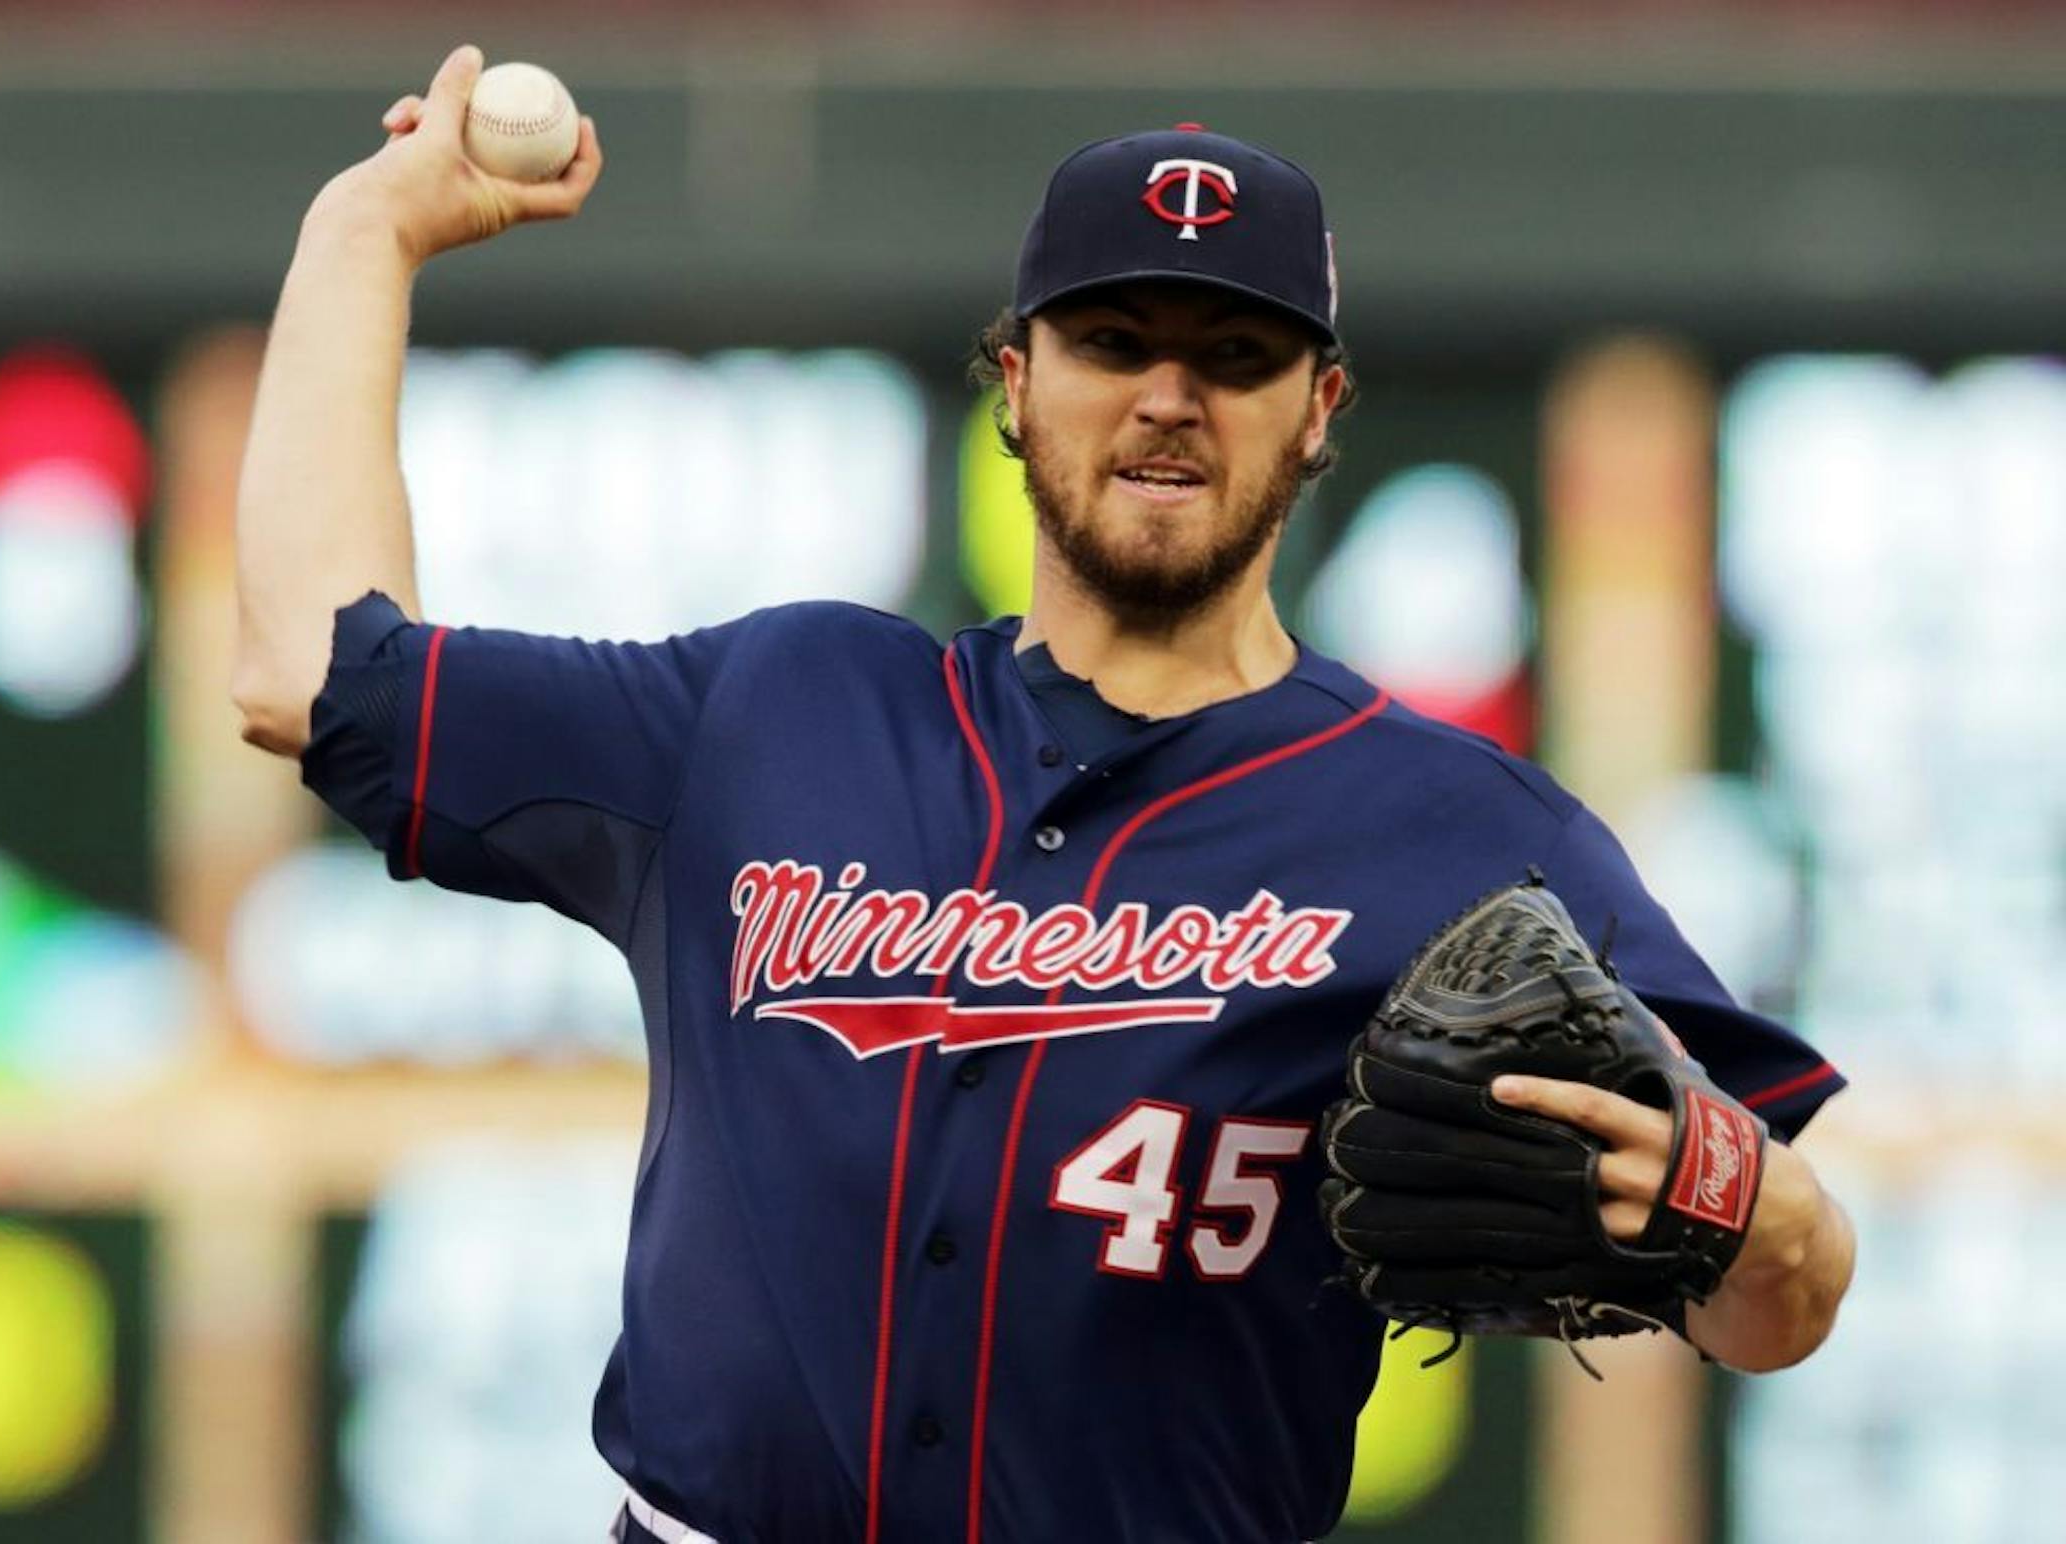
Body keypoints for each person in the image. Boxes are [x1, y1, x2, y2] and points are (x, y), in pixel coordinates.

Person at [234, 45, 1856, 1544]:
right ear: (1014, 379)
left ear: (1321, 412)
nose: (1169, 395)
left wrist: (1744, 1210)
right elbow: (306, 671)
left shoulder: (1463, 832)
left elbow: (1782, 1300)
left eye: (1236, 353)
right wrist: (360, 236)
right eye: (1114, 341)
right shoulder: (773, 709)